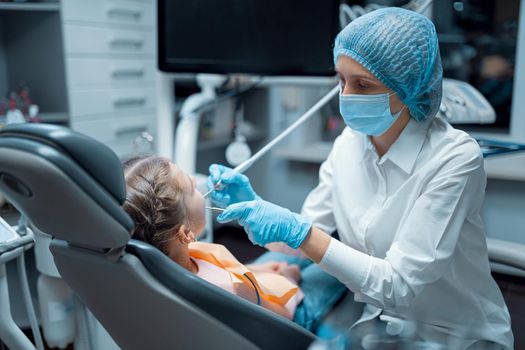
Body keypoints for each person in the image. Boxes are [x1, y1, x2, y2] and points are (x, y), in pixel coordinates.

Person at [208, 7, 513, 349]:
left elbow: (396, 284)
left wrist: (299, 232)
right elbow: (304, 237)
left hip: (453, 335)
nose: (346, 97)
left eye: (363, 85)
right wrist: (255, 207)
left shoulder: (454, 158)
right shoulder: (347, 146)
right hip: (378, 323)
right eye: (341, 80)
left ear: (409, 87)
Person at [121, 155, 345, 329]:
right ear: (185, 233)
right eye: (191, 187)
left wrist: (256, 270)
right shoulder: (231, 288)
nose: (195, 181)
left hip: (255, 286)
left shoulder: (169, 261)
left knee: (292, 255)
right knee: (336, 266)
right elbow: (281, 315)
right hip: (293, 313)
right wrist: (290, 278)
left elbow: (220, 267)